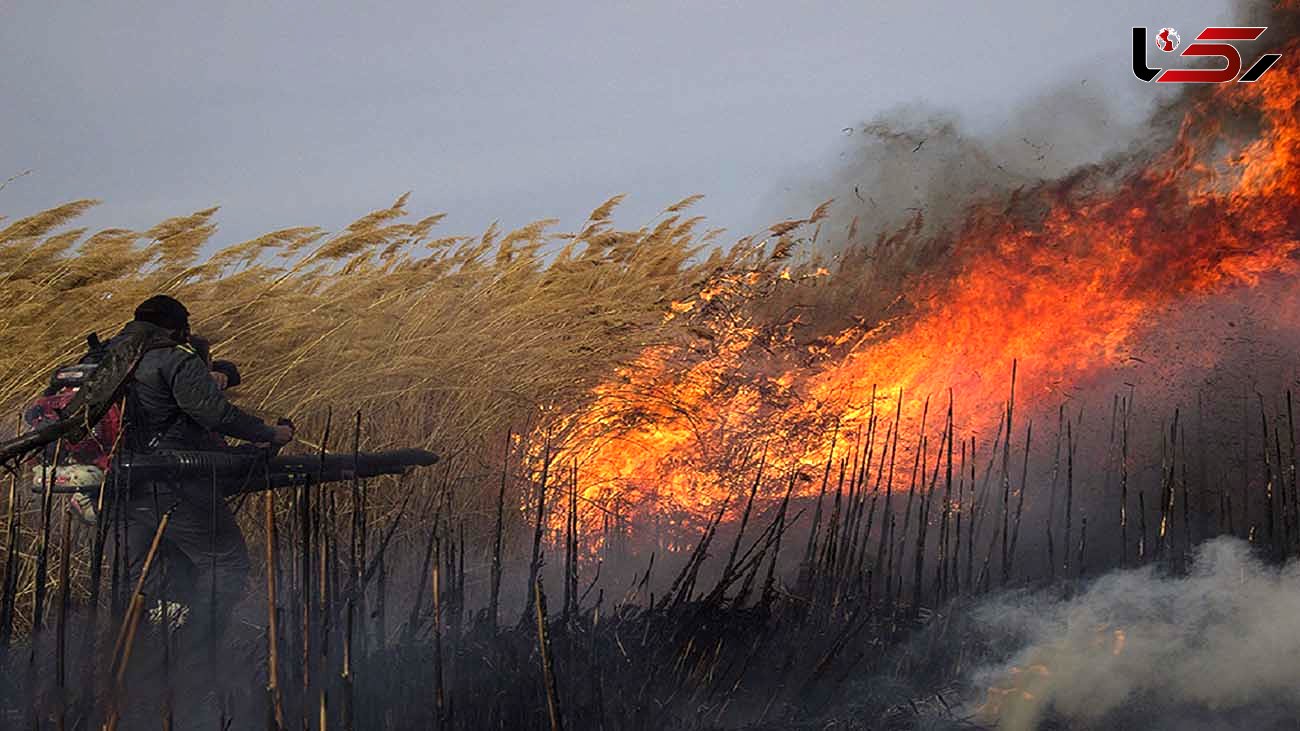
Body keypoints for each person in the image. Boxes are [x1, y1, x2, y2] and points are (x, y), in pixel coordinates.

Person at [118, 295, 293, 656]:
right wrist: (268, 434)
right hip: (170, 478)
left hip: (117, 485)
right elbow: (215, 415)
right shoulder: (172, 357)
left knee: (143, 582)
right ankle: (194, 655)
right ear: (176, 326)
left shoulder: (108, 357)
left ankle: (134, 662)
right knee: (226, 563)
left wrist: (219, 375)